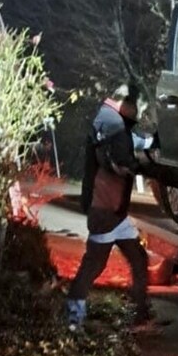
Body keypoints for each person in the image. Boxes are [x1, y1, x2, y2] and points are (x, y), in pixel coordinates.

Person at [67, 84, 157, 332]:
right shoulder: (113, 124)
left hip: (114, 213)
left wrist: (150, 142)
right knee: (94, 265)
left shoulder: (110, 120)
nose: (139, 114)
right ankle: (74, 318)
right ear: (125, 104)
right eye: (138, 108)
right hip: (104, 211)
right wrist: (145, 167)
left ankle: (140, 316)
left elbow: (131, 141)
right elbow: (120, 160)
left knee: (138, 259)